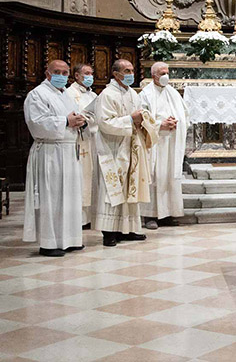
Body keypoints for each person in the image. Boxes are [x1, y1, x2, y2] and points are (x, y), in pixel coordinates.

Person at [23, 60, 85, 256]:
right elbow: (37, 123)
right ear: (47, 73)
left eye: (65, 73)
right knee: (52, 198)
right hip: (50, 152)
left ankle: (70, 239)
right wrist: (66, 121)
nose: (62, 76)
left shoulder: (66, 94)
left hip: (69, 151)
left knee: (70, 197)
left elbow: (74, 115)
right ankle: (49, 243)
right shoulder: (37, 94)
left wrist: (80, 120)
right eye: (57, 72)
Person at [93, 59, 158, 246]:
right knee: (112, 189)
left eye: (131, 70)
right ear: (116, 74)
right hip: (113, 148)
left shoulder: (132, 94)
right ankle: (109, 232)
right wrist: (130, 119)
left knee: (130, 188)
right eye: (126, 71)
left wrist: (143, 120)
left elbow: (139, 117)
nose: (131, 74)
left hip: (131, 147)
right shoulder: (107, 94)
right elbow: (104, 123)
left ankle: (127, 229)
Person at [139, 62, 187, 229]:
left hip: (171, 141)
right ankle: (150, 215)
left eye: (167, 72)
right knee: (154, 176)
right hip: (155, 142)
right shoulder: (145, 94)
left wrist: (176, 122)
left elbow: (184, 114)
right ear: (153, 76)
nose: (166, 76)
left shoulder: (173, 93)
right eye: (162, 73)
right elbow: (142, 118)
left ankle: (167, 213)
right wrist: (160, 125)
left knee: (168, 176)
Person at [65, 63, 98, 227]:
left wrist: (90, 119)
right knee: (80, 178)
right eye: (86, 73)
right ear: (77, 75)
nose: (90, 76)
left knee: (91, 177)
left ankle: (91, 216)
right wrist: (83, 120)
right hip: (77, 139)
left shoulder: (94, 95)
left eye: (91, 73)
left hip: (93, 140)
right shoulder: (69, 93)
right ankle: (80, 218)